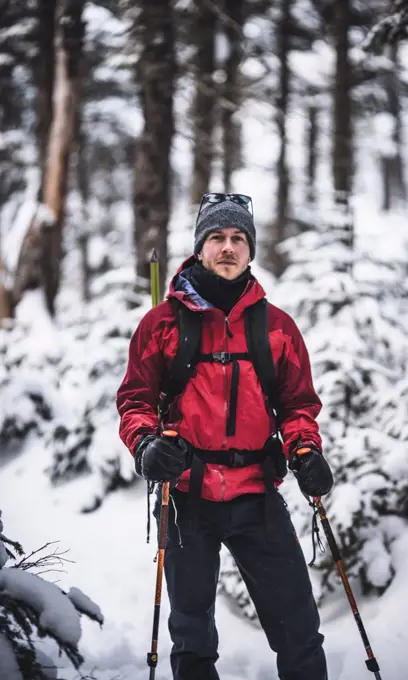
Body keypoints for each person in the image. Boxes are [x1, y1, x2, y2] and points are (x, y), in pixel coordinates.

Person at [116, 193, 333, 680]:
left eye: (238, 238)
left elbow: (298, 404)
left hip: (257, 492)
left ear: (251, 251)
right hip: (187, 496)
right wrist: (147, 444)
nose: (228, 247)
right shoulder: (162, 323)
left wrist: (304, 448)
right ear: (200, 248)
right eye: (217, 237)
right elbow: (134, 401)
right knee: (192, 638)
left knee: (299, 629)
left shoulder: (277, 327)